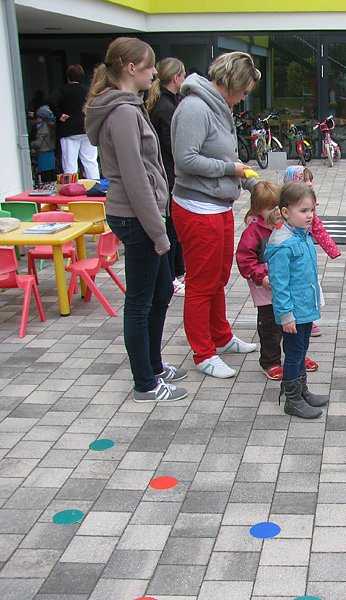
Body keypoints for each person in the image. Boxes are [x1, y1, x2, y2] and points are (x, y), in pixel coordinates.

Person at [84, 37, 187, 403]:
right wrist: (160, 232)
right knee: (141, 302)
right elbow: (135, 178)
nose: (155, 72)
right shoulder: (124, 112)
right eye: (149, 66)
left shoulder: (129, 106)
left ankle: (154, 365)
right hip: (137, 217)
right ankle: (145, 382)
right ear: (130, 68)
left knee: (160, 292)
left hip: (143, 215)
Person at [171, 51, 261, 379]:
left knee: (219, 278)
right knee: (201, 283)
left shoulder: (217, 106)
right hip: (198, 208)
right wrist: (231, 168)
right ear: (231, 83)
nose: (243, 98)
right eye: (244, 91)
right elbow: (186, 160)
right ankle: (203, 353)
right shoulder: (195, 107)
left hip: (218, 206)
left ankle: (221, 337)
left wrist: (245, 178)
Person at [235, 180, 320, 382]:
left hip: (290, 293)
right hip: (266, 291)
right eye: (269, 208)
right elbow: (245, 260)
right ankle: (271, 361)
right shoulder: (259, 233)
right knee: (270, 328)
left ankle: (297, 356)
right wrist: (260, 276)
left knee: (294, 334)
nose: (275, 212)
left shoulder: (296, 231)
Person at [265, 182, 329, 419]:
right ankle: (292, 400)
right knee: (293, 354)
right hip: (293, 312)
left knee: (302, 351)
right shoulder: (283, 244)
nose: (310, 215)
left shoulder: (301, 235)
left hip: (304, 307)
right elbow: (279, 285)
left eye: (311, 210)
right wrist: (286, 315)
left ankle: (302, 391)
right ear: (285, 212)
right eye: (303, 211)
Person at [284, 165, 341, 337]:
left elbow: (318, 227)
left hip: (305, 252)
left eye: (310, 179)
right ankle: (295, 319)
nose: (309, 183)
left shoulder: (308, 205)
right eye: (304, 180)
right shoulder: (285, 209)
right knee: (293, 287)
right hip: (291, 253)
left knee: (309, 285)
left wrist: (332, 250)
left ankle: (308, 320)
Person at [146, 57, 186, 296]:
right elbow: (173, 146)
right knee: (172, 227)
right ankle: (172, 276)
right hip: (169, 175)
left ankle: (177, 272)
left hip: (167, 174)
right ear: (175, 78)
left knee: (173, 227)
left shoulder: (164, 104)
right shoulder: (165, 107)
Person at [50, 64, 100, 178]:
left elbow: (51, 100)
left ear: (68, 77)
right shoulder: (88, 91)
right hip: (87, 129)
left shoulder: (63, 90)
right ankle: (96, 187)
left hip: (69, 130)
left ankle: (71, 190)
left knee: (70, 164)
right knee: (90, 162)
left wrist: (59, 114)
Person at [30, 105, 57, 184]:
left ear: (42, 118)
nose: (37, 118)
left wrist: (31, 143)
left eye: (38, 117)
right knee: (52, 176)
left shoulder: (42, 129)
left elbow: (38, 144)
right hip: (50, 154)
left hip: (43, 155)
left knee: (45, 178)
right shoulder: (51, 127)